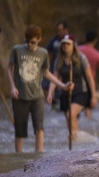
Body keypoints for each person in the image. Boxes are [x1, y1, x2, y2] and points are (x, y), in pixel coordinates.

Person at [7, 24, 73, 152]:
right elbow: (9, 67)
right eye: (27, 41)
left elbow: (46, 73)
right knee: (19, 131)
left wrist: (63, 85)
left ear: (39, 39)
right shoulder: (17, 50)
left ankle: (39, 158)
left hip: (37, 96)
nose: (29, 45)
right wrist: (12, 86)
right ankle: (19, 160)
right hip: (20, 96)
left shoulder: (43, 53)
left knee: (39, 129)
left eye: (32, 42)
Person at [47, 36, 97, 141]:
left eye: (68, 44)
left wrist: (93, 96)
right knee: (69, 118)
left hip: (81, 92)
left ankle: (75, 141)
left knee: (71, 114)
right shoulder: (59, 60)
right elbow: (54, 78)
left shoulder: (81, 58)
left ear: (73, 45)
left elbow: (89, 77)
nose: (65, 46)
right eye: (63, 44)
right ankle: (74, 142)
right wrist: (50, 93)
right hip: (65, 93)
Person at [78, 30, 99, 118]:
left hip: (77, 80)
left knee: (76, 106)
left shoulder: (77, 50)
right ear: (95, 40)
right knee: (88, 108)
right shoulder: (97, 54)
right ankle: (87, 130)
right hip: (90, 82)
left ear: (85, 38)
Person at [42, 20, 74, 100]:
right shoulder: (54, 39)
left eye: (61, 30)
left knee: (63, 86)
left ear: (66, 30)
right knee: (47, 84)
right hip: (54, 65)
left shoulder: (71, 39)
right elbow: (46, 50)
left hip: (67, 67)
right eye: (58, 30)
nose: (59, 32)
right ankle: (53, 100)